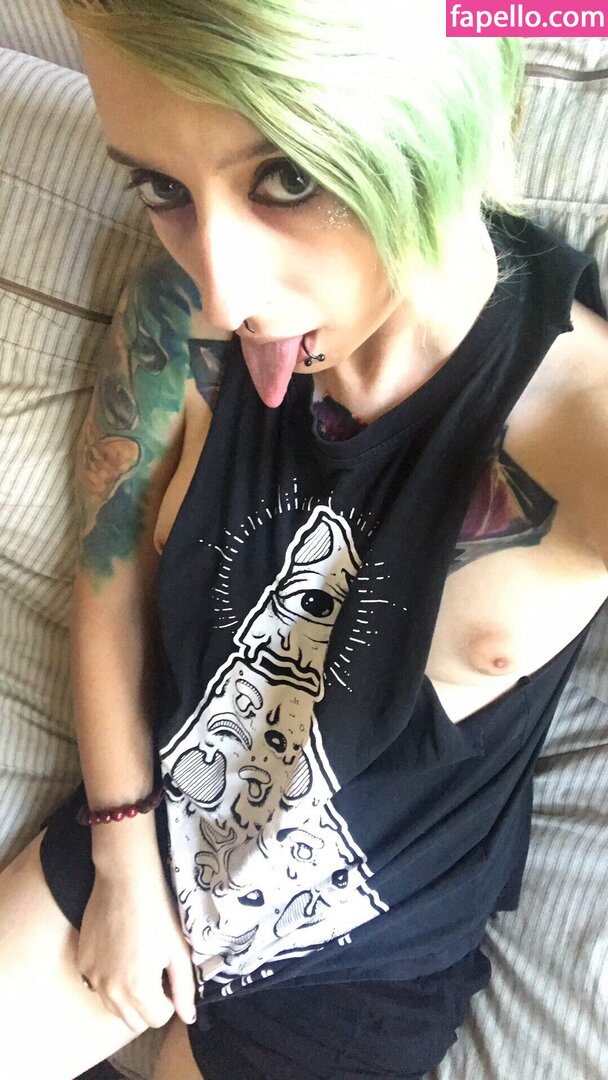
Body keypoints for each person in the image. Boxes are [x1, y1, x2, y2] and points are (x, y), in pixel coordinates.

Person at [1, 2, 607, 1078]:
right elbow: (107, 582)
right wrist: (123, 854)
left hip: (361, 965)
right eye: (163, 189)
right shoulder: (177, 311)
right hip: (149, 828)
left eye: (288, 178)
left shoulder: (578, 416)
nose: (227, 291)